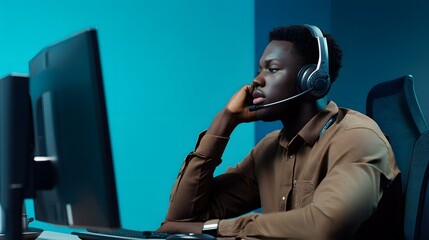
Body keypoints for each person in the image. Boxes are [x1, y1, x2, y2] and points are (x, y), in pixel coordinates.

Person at [158, 24, 404, 239]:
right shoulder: (270, 148)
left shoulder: (357, 138)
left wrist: (213, 229)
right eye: (259, 69)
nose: (256, 81)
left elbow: (323, 227)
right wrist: (224, 121)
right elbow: (182, 219)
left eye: (272, 69)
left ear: (311, 79)